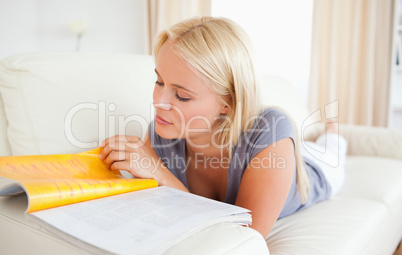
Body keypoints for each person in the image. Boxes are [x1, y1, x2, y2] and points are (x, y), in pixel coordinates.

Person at [99, 16, 347, 238]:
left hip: (319, 171)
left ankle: (332, 132)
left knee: (331, 150)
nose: (158, 102)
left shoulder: (270, 130)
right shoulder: (161, 132)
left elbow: (243, 239)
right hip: (282, 152)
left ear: (228, 103)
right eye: (159, 81)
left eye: (182, 96)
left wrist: (161, 175)